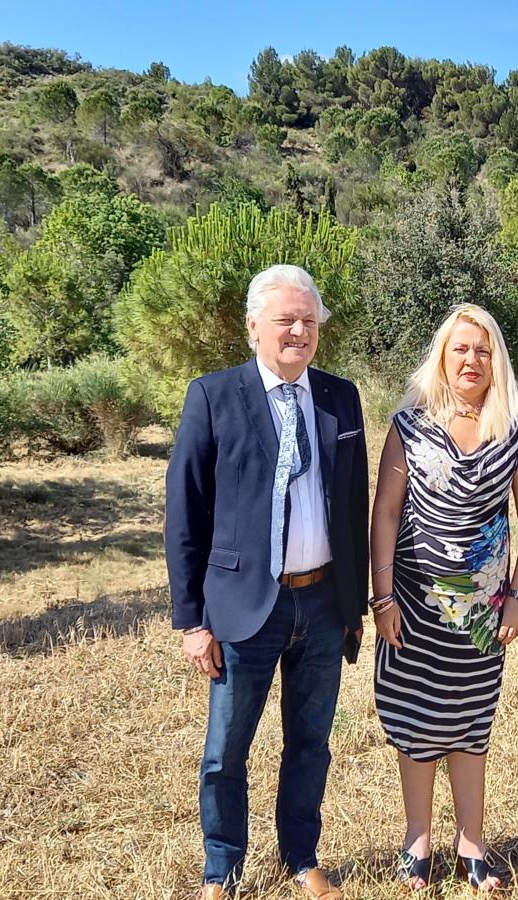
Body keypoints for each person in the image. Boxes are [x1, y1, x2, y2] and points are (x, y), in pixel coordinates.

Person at [165, 264, 368, 900]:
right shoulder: (213, 396)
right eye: (286, 320)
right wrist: (192, 620)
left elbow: (354, 505)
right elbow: (184, 511)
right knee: (226, 751)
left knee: (310, 743)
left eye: (309, 322)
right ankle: (221, 869)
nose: (299, 332)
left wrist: (354, 603)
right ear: (253, 326)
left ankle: (302, 857)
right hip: (243, 606)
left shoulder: (340, 397)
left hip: (323, 600)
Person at [371, 303, 518, 893]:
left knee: (471, 721)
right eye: (460, 349)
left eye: (482, 349)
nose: (471, 359)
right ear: (442, 358)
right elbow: (387, 514)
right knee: (418, 719)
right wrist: (382, 595)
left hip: (481, 611)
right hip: (413, 602)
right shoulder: (409, 425)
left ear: (496, 359)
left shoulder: (515, 429)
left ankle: (471, 840)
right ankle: (416, 838)